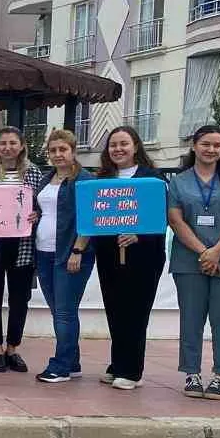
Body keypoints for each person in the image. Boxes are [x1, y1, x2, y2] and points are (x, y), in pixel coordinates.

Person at [166, 125, 220, 401]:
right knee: (191, 318)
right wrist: (204, 252)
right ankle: (191, 373)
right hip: (189, 260)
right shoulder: (179, 182)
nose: (211, 150)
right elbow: (175, 220)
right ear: (194, 146)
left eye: (217, 145)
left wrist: (218, 250)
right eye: (206, 144)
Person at [91, 124, 166, 390]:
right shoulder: (101, 179)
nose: (118, 149)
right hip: (109, 254)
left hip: (143, 256)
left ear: (135, 146)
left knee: (135, 311)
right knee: (115, 309)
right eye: (113, 145)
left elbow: (160, 217)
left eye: (124, 144)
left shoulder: (153, 179)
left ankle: (132, 371)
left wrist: (139, 234)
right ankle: (118, 363)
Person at [0, 126, 46, 373]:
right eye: (3, 143)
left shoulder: (34, 173)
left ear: (22, 146)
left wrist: (37, 214)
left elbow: (41, 205)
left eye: (13, 143)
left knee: (20, 299)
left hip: (22, 244)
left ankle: (13, 348)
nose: (7, 147)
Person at [31, 129, 96, 384]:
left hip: (70, 254)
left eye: (63, 150)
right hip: (43, 252)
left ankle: (60, 365)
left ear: (73, 151)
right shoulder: (46, 179)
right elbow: (44, 210)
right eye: (53, 150)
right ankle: (73, 361)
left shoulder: (85, 180)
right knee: (57, 309)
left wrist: (77, 250)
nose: (58, 155)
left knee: (65, 312)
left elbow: (89, 220)